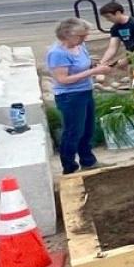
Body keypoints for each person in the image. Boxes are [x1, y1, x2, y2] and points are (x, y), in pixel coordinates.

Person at [47, 18, 111, 174]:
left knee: (88, 129)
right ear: (67, 35)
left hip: (85, 91)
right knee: (73, 131)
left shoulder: (80, 46)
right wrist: (93, 72)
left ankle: (88, 160)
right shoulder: (57, 53)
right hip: (70, 96)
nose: (84, 39)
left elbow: (85, 64)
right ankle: (69, 166)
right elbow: (62, 79)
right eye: (81, 36)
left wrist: (94, 65)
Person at [97, 1, 134, 87]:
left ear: (118, 13)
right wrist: (102, 62)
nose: (107, 20)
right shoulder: (115, 28)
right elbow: (112, 48)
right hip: (131, 54)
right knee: (120, 65)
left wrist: (127, 59)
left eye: (108, 17)